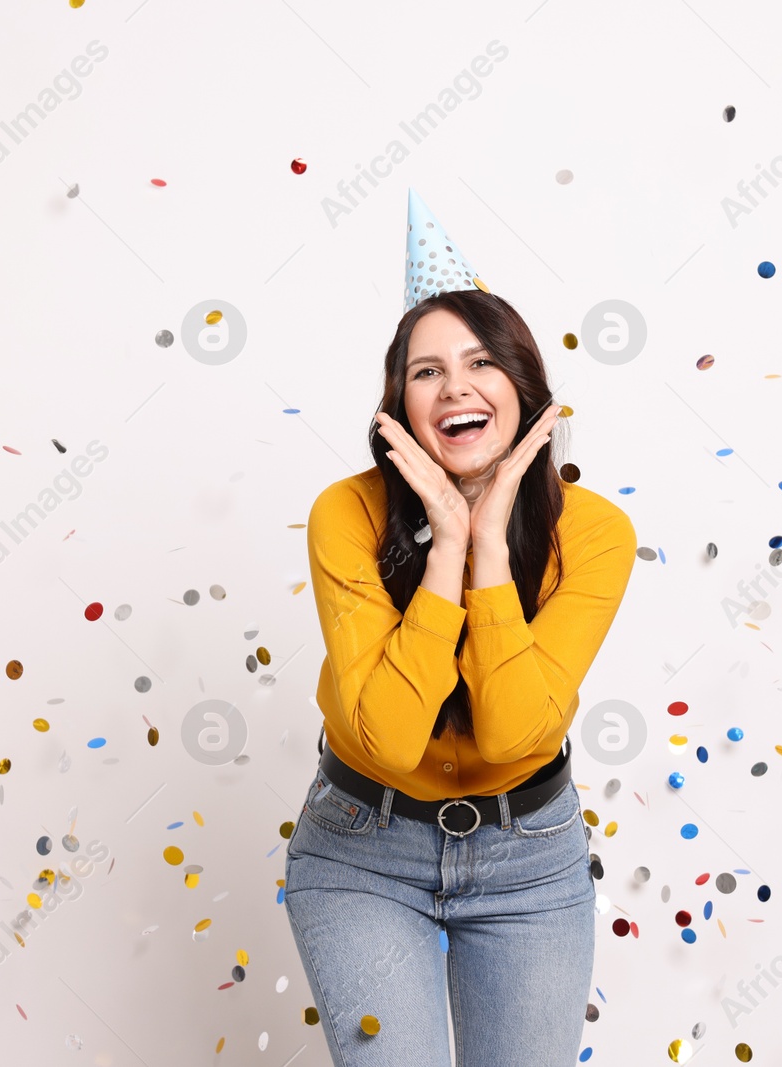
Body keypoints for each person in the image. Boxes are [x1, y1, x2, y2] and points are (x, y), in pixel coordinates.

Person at [282, 189, 639, 1066]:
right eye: (426, 370)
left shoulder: (593, 533)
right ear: (400, 408)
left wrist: (487, 547)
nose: (455, 386)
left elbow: (518, 727)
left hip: (531, 859)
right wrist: (446, 541)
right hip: (362, 848)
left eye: (479, 363)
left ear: (523, 389)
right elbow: (393, 740)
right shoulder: (346, 514)